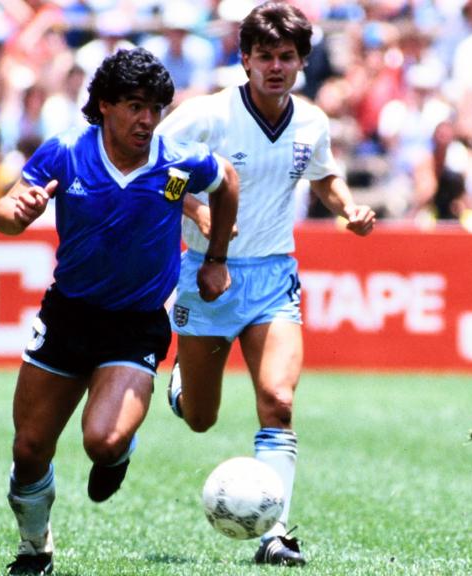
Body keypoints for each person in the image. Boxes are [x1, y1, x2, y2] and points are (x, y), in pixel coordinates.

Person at [0, 47, 238, 576]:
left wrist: (215, 258)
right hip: (67, 318)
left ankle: (118, 452)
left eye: (155, 108)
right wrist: (19, 211)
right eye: (134, 106)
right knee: (30, 447)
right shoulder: (64, 152)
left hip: (134, 325)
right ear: (104, 105)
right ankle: (35, 548)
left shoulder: (176, 159)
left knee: (102, 442)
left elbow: (225, 183)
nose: (146, 120)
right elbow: (5, 214)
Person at [155, 3, 376, 567]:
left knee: (277, 402)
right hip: (207, 276)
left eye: (286, 56)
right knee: (201, 419)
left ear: (302, 61)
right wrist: (201, 216)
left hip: (274, 276)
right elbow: (162, 174)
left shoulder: (311, 122)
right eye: (264, 56)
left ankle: (274, 534)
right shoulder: (205, 117)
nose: (275, 66)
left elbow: (324, 176)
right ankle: (182, 387)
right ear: (245, 59)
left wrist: (348, 209)